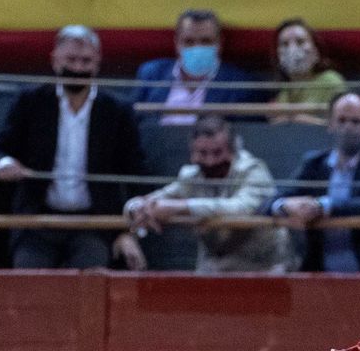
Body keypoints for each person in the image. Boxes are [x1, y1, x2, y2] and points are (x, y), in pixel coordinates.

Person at [0, 26, 147, 270]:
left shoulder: (117, 109)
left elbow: (135, 170)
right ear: (55, 61)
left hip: (93, 224)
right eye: (71, 59)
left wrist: (127, 232)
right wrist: (5, 163)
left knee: (91, 286)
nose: (77, 68)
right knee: (28, 283)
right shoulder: (30, 101)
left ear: (97, 63)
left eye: (85, 61)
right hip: (37, 221)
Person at [124, 115, 294, 273]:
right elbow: (154, 200)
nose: (210, 161)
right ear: (192, 153)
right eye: (203, 153)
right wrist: (136, 207)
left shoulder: (253, 170)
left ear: (232, 151)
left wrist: (182, 207)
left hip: (263, 266)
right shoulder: (191, 176)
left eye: (217, 153)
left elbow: (241, 208)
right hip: (214, 267)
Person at [267, 92, 360, 273]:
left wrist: (324, 206)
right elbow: (270, 202)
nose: (347, 128)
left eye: (355, 121)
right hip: (319, 274)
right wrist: (285, 206)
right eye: (341, 120)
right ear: (330, 124)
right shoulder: (315, 163)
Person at [133, 10, 257, 125]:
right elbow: (132, 122)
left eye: (206, 41)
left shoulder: (239, 84)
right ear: (177, 43)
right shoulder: (152, 73)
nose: (197, 48)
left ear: (220, 43)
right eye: (189, 41)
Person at [271, 19, 346, 118]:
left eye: (300, 42)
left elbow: (340, 125)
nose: (292, 50)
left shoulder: (330, 82)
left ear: (316, 51)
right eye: (285, 44)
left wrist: (293, 118)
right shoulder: (284, 91)